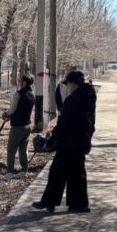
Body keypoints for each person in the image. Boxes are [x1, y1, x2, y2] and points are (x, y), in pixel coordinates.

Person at [32, 71, 96, 213]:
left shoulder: (73, 99)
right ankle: (78, 204)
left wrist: (53, 138)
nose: (67, 87)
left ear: (73, 84)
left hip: (68, 142)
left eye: (68, 84)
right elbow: (90, 122)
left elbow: (63, 123)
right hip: (81, 141)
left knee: (57, 172)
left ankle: (49, 201)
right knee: (77, 173)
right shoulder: (88, 97)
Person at [1, 73, 35, 179]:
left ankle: (10, 172)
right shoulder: (32, 95)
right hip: (28, 126)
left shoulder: (18, 94)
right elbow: (23, 110)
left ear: (24, 83)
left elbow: (12, 110)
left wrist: (6, 114)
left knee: (11, 149)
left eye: (20, 80)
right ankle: (24, 170)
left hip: (18, 127)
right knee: (23, 149)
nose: (19, 82)